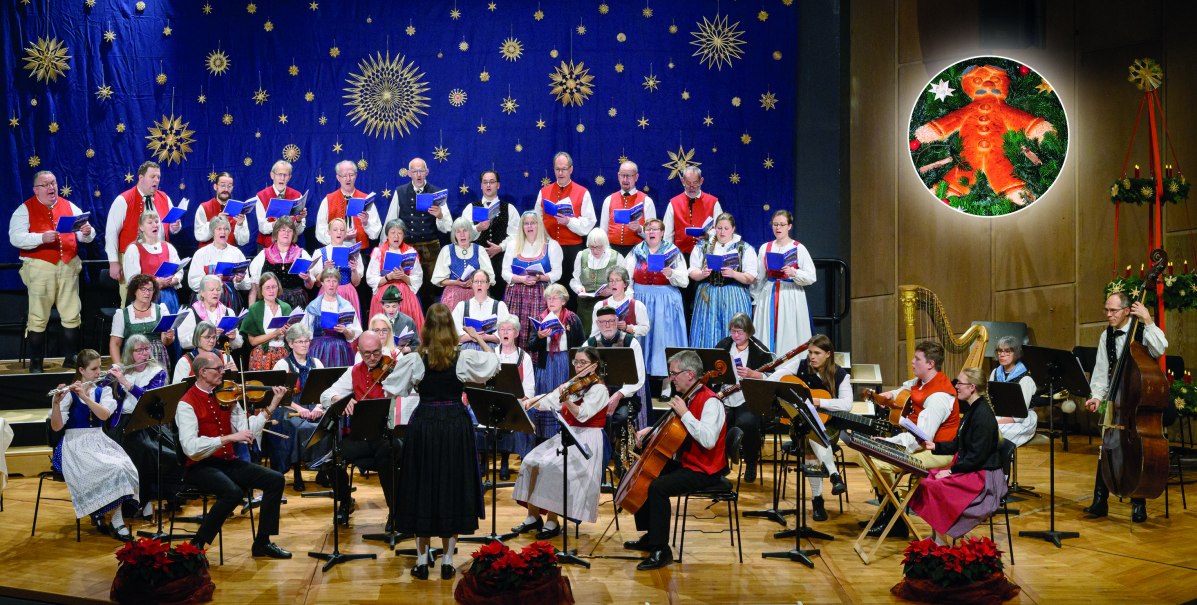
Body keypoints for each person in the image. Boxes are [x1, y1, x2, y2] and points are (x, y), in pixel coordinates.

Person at [391, 304, 500, 580]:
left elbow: (393, 387)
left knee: (422, 485)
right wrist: (478, 339)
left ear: (425, 328)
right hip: (454, 424)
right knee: (451, 485)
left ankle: (421, 560)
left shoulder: (416, 359)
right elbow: (493, 367)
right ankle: (448, 560)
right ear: (451, 328)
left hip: (425, 423)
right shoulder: (461, 357)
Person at [175, 351, 291, 558]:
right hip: (199, 466)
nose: (223, 372)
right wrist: (228, 439)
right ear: (202, 372)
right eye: (218, 369)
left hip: (226, 461)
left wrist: (272, 404)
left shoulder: (228, 396)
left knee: (275, 480)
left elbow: (247, 429)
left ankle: (262, 542)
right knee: (233, 493)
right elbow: (190, 447)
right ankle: (196, 546)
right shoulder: (186, 403)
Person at [624, 350, 727, 571]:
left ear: (690, 374)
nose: (671, 378)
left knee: (659, 487)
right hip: (690, 462)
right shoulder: (688, 397)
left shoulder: (711, 402)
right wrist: (652, 430)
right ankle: (651, 535)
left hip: (705, 470)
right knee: (646, 469)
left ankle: (661, 550)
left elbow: (708, 440)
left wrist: (685, 413)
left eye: (674, 373)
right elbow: (676, 429)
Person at [1082, 292, 1168, 523]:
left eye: (1114, 311)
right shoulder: (1106, 335)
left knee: (1136, 451)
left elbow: (1161, 348)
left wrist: (1149, 321)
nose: (1109, 315)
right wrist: (1097, 397)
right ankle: (1100, 500)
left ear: (1128, 310)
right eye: (1106, 310)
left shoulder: (1142, 330)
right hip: (1115, 400)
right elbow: (1101, 371)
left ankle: (1138, 504)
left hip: (1137, 401)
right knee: (1106, 448)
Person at [862, 341, 959, 538]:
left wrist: (889, 443)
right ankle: (889, 513)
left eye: (917, 359)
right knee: (867, 454)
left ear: (930, 364)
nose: (912, 362)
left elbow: (921, 439)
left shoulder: (938, 397)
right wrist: (891, 394)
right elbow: (907, 388)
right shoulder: (922, 382)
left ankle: (894, 519)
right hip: (918, 443)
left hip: (936, 451)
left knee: (880, 463)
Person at [511, 347, 608, 540]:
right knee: (531, 460)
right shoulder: (574, 383)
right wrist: (531, 401)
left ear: (594, 366)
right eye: (576, 362)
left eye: (582, 362)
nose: (578, 366)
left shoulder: (599, 389)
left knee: (553, 468)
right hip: (568, 434)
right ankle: (533, 516)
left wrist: (566, 400)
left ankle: (553, 521)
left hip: (587, 439)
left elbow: (582, 415)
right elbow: (551, 398)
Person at [313, 331, 404, 527]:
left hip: (387, 435)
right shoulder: (354, 371)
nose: (372, 359)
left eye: (377, 353)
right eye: (367, 354)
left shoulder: (394, 368)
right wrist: (339, 399)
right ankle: (345, 501)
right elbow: (326, 394)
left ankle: (395, 512)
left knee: (387, 453)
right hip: (362, 437)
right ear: (359, 351)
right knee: (331, 461)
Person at [49, 349, 140, 541]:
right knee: (112, 468)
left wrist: (86, 397)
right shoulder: (68, 393)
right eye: (94, 369)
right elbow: (56, 427)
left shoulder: (103, 390)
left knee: (125, 466)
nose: (99, 372)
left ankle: (101, 513)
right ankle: (116, 522)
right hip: (74, 445)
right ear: (81, 370)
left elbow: (104, 415)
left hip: (98, 440)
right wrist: (56, 404)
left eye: (100, 367)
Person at [9, 170, 95, 372]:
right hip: (40, 268)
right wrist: (40, 238)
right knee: (38, 317)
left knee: (72, 314)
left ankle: (70, 358)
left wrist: (87, 232)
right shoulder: (25, 209)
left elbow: (86, 237)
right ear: (36, 190)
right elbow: (15, 238)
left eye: (53, 183)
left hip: (69, 266)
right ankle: (36, 363)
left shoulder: (69, 206)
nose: (51, 188)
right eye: (46, 184)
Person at [910, 367, 1006, 544]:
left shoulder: (983, 415)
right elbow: (959, 443)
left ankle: (940, 540)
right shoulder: (972, 409)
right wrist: (934, 446)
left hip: (983, 476)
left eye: (960, 383)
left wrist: (951, 471)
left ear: (972, 387)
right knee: (928, 480)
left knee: (936, 486)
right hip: (971, 467)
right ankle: (936, 537)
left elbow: (977, 456)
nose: (956, 387)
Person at [765, 334, 851, 519]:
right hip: (801, 424)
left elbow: (846, 404)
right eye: (810, 352)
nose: (812, 357)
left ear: (828, 354)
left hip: (830, 425)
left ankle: (818, 498)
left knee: (815, 437)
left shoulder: (840, 374)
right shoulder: (800, 365)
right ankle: (830, 481)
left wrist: (817, 401)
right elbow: (775, 378)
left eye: (817, 353)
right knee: (810, 436)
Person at [104, 335, 176, 521]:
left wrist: (126, 383)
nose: (144, 353)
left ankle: (146, 500)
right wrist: (108, 377)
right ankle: (125, 504)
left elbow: (148, 400)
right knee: (122, 457)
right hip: (122, 424)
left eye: (146, 349)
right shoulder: (124, 371)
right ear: (130, 353)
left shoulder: (157, 372)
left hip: (146, 423)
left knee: (147, 452)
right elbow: (107, 391)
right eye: (139, 350)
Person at [626, 218, 689, 398]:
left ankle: (668, 383)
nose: (651, 232)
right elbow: (627, 277)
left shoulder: (672, 251)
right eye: (648, 229)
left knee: (665, 340)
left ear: (662, 232)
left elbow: (684, 281)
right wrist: (631, 299)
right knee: (641, 341)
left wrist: (671, 273)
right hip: (642, 298)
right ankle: (639, 382)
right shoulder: (636, 252)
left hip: (665, 300)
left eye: (655, 229)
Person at [106, 161, 181, 305]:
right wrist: (114, 261)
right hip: (132, 258)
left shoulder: (164, 198)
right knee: (133, 300)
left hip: (159, 256)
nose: (156, 180)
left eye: (158, 177)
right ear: (140, 178)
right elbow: (111, 233)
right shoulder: (124, 200)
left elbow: (172, 228)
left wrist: (174, 226)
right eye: (152, 176)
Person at [584, 307, 646, 478]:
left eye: (611, 321)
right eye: (603, 322)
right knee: (590, 418)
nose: (608, 325)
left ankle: (622, 465)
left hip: (624, 396)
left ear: (616, 321)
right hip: (598, 396)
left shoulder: (630, 342)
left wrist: (618, 395)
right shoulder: (589, 344)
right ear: (598, 323)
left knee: (622, 417)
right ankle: (596, 467)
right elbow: (581, 374)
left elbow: (639, 378)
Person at [385, 157, 452, 310]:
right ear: (409, 173)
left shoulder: (437, 193)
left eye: (421, 170)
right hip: (407, 249)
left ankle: (432, 327)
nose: (418, 174)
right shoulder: (400, 192)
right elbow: (390, 221)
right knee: (406, 287)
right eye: (415, 171)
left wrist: (440, 215)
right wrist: (386, 247)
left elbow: (448, 227)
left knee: (431, 290)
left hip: (431, 249)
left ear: (427, 172)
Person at [713, 313, 772, 484]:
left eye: (739, 332)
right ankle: (719, 465)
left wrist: (754, 374)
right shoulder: (724, 345)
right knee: (716, 421)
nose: (735, 336)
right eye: (733, 331)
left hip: (748, 397)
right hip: (725, 395)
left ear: (748, 332)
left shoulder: (759, 350)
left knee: (748, 422)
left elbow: (773, 376)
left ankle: (751, 461)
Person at [688, 213, 758, 349]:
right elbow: (692, 272)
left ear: (733, 229)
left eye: (726, 228)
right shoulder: (703, 246)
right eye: (719, 228)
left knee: (733, 327)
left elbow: (751, 277)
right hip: (708, 295)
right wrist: (702, 274)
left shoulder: (744, 248)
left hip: (734, 294)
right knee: (707, 330)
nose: (722, 232)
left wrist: (733, 274)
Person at [534, 152, 596, 306]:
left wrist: (569, 222)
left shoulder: (582, 192)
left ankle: (571, 324)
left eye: (564, 169)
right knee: (550, 290)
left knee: (570, 287)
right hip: (548, 247)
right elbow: (536, 219)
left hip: (572, 248)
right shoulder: (544, 192)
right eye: (557, 169)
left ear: (571, 169)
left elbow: (589, 223)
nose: (560, 173)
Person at [528, 284, 586, 444]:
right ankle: (544, 438)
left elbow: (582, 344)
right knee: (546, 397)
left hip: (566, 364)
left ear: (563, 300)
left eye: (555, 297)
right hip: (546, 364)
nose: (551, 301)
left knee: (565, 397)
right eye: (548, 298)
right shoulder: (540, 319)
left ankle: (566, 435)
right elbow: (530, 345)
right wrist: (540, 337)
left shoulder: (572, 319)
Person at [753, 210, 816, 357]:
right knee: (766, 331)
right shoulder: (765, 248)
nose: (778, 228)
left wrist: (794, 273)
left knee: (789, 331)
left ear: (789, 226)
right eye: (775, 224)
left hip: (790, 294)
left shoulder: (798, 248)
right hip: (769, 293)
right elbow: (759, 278)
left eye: (782, 224)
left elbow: (811, 276)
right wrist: (756, 302)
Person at [271, 323, 325, 491]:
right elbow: (281, 397)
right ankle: (296, 473)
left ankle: (322, 469)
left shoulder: (316, 362)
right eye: (300, 341)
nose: (304, 345)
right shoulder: (282, 364)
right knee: (295, 427)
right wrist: (300, 410)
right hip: (289, 408)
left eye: (306, 341)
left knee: (328, 423)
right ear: (291, 343)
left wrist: (318, 407)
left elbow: (324, 390)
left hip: (312, 406)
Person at [502, 211, 564, 357]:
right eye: (526, 223)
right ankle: (513, 361)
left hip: (540, 293)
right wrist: (522, 279)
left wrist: (539, 278)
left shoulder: (551, 245)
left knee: (537, 330)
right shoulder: (513, 245)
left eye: (533, 223)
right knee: (516, 328)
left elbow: (557, 273)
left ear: (539, 225)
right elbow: (505, 272)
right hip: (517, 294)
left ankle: (536, 365)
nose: (529, 226)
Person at [664, 166, 722, 315]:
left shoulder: (713, 202)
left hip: (704, 258)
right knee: (682, 298)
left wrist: (709, 236)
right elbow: (667, 235)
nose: (691, 186)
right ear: (682, 181)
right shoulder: (673, 203)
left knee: (701, 297)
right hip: (681, 257)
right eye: (688, 182)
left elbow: (722, 229)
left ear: (701, 181)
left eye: (695, 183)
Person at [492, 314, 535, 478]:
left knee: (526, 415)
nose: (505, 332)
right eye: (502, 329)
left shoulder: (525, 357)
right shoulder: (492, 354)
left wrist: (519, 400)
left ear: (516, 333)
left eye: (509, 329)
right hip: (495, 401)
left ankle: (521, 462)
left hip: (517, 402)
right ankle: (483, 461)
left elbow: (529, 389)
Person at [465, 169, 519, 298]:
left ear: (498, 185)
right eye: (485, 182)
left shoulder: (509, 208)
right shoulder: (471, 207)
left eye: (492, 182)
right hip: (477, 260)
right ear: (481, 185)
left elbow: (516, 235)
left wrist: (501, 247)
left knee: (499, 296)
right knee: (477, 296)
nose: (488, 185)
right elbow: (462, 235)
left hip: (501, 260)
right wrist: (478, 228)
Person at [120, 209, 184, 315]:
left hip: (169, 297)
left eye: (157, 222)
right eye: (150, 222)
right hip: (146, 299)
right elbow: (133, 280)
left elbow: (178, 271)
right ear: (141, 227)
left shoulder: (168, 247)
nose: (155, 225)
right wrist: (156, 283)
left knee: (169, 329)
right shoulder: (134, 249)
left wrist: (172, 281)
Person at [366, 218, 425, 331]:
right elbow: (371, 278)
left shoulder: (410, 252)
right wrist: (389, 277)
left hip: (404, 294)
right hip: (384, 293)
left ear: (403, 236)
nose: (396, 236)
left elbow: (417, 277)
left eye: (400, 233)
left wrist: (403, 276)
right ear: (387, 235)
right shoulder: (379, 252)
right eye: (393, 233)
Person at [109, 274, 175, 370]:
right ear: (135, 291)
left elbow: (165, 342)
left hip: (157, 359)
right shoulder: (122, 314)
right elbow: (115, 343)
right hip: (133, 360)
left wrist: (169, 337)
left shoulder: (161, 309)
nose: (147, 293)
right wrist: (118, 366)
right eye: (143, 289)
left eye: (150, 289)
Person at [187, 215, 250, 313]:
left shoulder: (236, 253)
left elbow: (247, 284)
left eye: (226, 229)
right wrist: (212, 281)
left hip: (231, 300)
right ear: (212, 232)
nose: (223, 232)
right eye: (219, 229)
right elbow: (193, 282)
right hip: (206, 301)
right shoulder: (201, 253)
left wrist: (239, 281)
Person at [247, 216, 312, 309]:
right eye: (282, 230)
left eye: (290, 231)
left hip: (297, 304)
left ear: (293, 234)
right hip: (271, 303)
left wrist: (307, 279)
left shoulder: (302, 254)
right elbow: (254, 286)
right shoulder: (263, 255)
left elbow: (310, 286)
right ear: (276, 233)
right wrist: (252, 310)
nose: (286, 233)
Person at [432, 217, 496, 312]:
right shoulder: (447, 250)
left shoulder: (480, 250)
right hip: (453, 295)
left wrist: (475, 282)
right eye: (458, 232)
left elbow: (489, 278)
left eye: (465, 231)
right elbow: (439, 280)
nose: (462, 235)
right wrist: (456, 282)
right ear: (454, 235)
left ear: (470, 233)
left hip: (476, 294)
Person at [304, 267, 363, 368]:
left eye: (334, 281)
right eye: (328, 281)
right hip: (317, 351)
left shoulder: (346, 306)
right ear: (322, 283)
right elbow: (305, 332)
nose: (331, 284)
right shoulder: (313, 306)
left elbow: (354, 333)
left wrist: (345, 331)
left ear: (338, 283)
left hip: (340, 351)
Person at [315, 160, 381, 249]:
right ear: (338, 177)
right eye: (344, 176)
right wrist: (342, 237)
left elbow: (375, 234)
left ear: (356, 176)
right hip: (334, 251)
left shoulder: (365, 199)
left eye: (351, 175)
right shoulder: (328, 200)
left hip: (360, 252)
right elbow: (320, 231)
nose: (348, 179)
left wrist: (366, 223)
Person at [309, 217, 365, 320]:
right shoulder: (320, 252)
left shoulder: (352, 252)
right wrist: (324, 270)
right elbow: (316, 282)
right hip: (327, 292)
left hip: (348, 293)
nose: (339, 232)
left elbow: (356, 283)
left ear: (345, 233)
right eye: (335, 230)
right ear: (329, 232)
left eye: (342, 230)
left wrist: (353, 270)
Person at [570, 228, 623, 335]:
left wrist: (611, 290)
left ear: (605, 244)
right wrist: (579, 289)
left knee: (606, 335)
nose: (595, 251)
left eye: (598, 247)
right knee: (585, 334)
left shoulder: (616, 257)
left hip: (608, 304)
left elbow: (625, 283)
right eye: (591, 247)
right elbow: (574, 280)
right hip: (585, 304)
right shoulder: (582, 255)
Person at [988, 336, 1038, 447]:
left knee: (992, 432)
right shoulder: (995, 372)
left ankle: (998, 460)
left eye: (1007, 351)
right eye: (1000, 351)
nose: (1002, 354)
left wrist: (994, 422)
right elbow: (990, 400)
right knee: (981, 428)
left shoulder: (1025, 379)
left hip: (1022, 420)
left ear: (1016, 353)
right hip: (1000, 414)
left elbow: (1020, 415)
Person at [598, 161, 657, 255]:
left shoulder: (647, 201)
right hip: (612, 252)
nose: (625, 179)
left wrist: (639, 229)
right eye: (622, 175)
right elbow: (603, 231)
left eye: (629, 176)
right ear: (618, 176)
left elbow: (654, 234)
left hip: (637, 251)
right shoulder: (608, 200)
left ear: (636, 177)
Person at [241, 272, 294, 371]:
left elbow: (290, 338)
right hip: (262, 355)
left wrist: (288, 332)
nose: (271, 291)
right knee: (262, 385)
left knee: (285, 385)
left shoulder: (286, 307)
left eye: (274, 287)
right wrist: (275, 333)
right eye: (267, 288)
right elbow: (252, 341)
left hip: (283, 354)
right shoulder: (255, 309)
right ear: (261, 290)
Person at [177, 275, 244, 353]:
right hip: (200, 360)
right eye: (211, 290)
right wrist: (207, 334)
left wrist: (234, 338)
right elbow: (183, 343)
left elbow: (239, 344)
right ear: (202, 292)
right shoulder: (191, 312)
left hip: (223, 358)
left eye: (218, 290)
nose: (215, 293)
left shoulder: (228, 312)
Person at [252, 160, 308, 251]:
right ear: (272, 175)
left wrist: (298, 220)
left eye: (285, 175)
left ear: (289, 177)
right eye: (279, 174)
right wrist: (276, 224)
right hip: (267, 246)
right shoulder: (261, 196)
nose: (282, 178)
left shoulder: (297, 196)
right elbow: (262, 228)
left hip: (290, 246)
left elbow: (299, 231)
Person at [451, 271, 507, 351]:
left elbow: (505, 334)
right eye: (476, 281)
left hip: (491, 349)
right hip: (468, 349)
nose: (479, 284)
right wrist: (473, 336)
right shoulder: (461, 306)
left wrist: (486, 337)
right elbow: (454, 334)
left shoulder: (500, 306)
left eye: (483, 281)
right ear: (472, 285)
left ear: (488, 285)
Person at [193, 172, 250, 248]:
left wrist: (240, 224)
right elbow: (199, 235)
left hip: (229, 256)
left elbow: (243, 241)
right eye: (223, 185)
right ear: (215, 187)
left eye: (229, 186)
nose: (226, 189)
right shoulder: (204, 207)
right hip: (208, 256)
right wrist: (215, 222)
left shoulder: (238, 208)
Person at [591, 267, 650, 340]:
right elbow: (594, 333)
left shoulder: (637, 305)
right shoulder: (600, 306)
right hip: (606, 348)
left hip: (629, 347)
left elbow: (645, 328)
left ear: (625, 284)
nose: (613, 284)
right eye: (611, 280)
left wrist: (627, 328)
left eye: (617, 280)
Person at [172, 321, 239, 384]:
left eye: (214, 337)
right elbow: (178, 391)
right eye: (207, 337)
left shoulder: (224, 356)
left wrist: (233, 374)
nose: (212, 341)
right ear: (197, 337)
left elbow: (232, 384)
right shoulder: (185, 362)